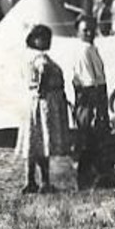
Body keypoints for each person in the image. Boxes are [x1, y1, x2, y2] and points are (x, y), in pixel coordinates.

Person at [18, 24, 71, 195]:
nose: (48, 42)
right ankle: (45, 181)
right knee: (42, 142)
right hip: (43, 102)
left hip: (31, 101)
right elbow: (44, 69)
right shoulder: (40, 57)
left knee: (33, 142)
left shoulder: (26, 56)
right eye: (44, 38)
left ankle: (30, 180)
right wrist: (42, 88)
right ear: (35, 39)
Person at [68, 16, 109, 190]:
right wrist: (96, 110)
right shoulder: (83, 50)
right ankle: (83, 181)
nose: (90, 33)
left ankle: (95, 176)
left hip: (97, 96)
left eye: (92, 29)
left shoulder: (93, 48)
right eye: (85, 30)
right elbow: (89, 83)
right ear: (77, 32)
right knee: (87, 140)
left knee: (95, 140)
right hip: (89, 99)